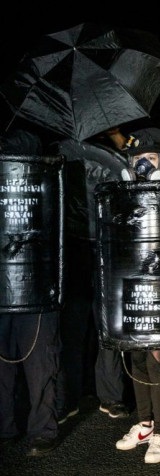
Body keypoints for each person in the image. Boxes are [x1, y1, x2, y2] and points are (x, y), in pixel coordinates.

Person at [54, 126, 132, 423]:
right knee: (73, 329)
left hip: (103, 247)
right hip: (73, 247)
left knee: (106, 328)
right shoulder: (61, 153)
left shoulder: (110, 156)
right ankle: (70, 398)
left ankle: (109, 397)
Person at [0, 129, 61, 457]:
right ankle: (6, 426)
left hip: (35, 287)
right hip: (5, 289)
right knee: (4, 369)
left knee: (40, 367)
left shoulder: (46, 177)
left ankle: (42, 430)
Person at [114, 128, 160, 464]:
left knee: (155, 361)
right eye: (138, 160)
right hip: (132, 288)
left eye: (150, 159)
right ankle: (145, 424)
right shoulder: (123, 197)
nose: (143, 166)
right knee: (136, 358)